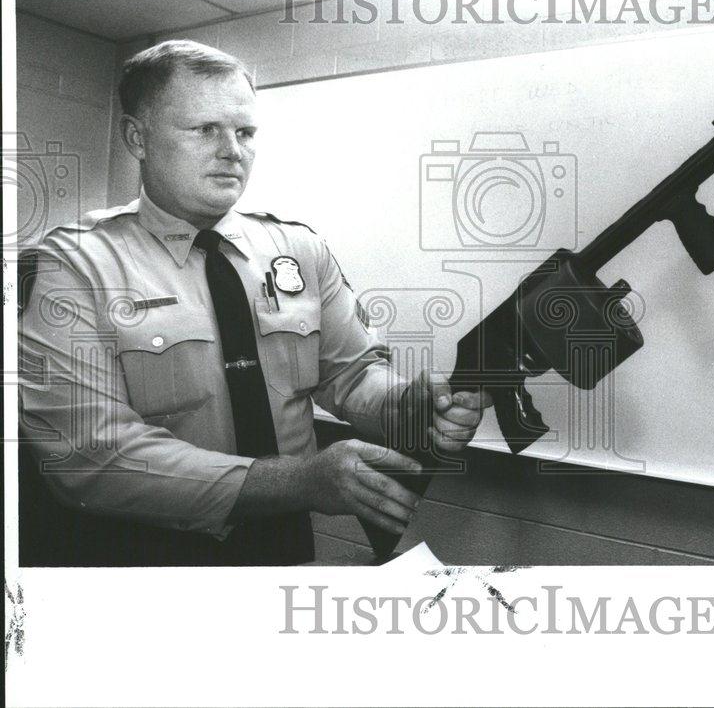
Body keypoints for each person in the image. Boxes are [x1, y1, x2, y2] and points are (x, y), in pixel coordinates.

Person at [18, 40, 490, 566]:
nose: (232, 151)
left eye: (244, 132)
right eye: (205, 130)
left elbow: (353, 375)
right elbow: (89, 456)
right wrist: (296, 483)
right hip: (144, 555)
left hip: (284, 547)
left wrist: (406, 407)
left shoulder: (299, 250)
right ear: (137, 137)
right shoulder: (75, 263)